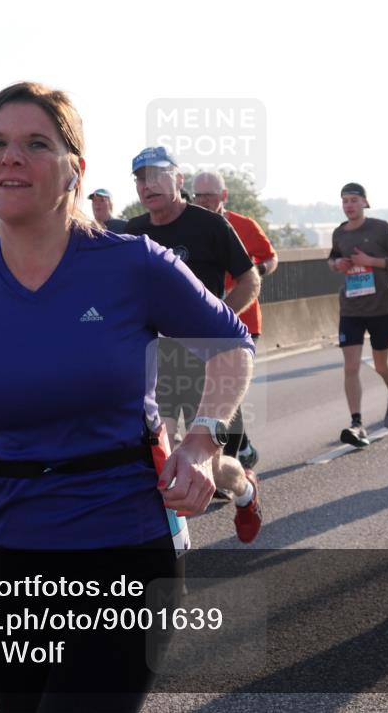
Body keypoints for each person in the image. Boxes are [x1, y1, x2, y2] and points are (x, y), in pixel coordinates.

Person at [0, 83, 254, 712]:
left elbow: (231, 344)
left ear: (74, 170)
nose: (11, 157)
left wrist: (200, 439)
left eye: (36, 144)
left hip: (124, 547)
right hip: (9, 553)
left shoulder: (133, 263)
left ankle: (238, 483)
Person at [125, 148, 262, 540]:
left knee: (214, 467)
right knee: (160, 457)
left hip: (209, 361)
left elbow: (250, 280)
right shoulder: (132, 234)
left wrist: (218, 324)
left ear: (179, 179)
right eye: (139, 178)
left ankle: (246, 491)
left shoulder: (210, 225)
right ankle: (169, 546)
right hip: (157, 362)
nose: (147, 185)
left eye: (156, 175)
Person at [192, 170, 277, 469]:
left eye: (209, 196)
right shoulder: (188, 228)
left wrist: (254, 273)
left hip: (244, 319)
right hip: (205, 322)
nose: (202, 201)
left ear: (223, 196)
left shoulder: (243, 225)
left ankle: (228, 460)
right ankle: (243, 448)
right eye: (197, 195)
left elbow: (270, 257)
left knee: (225, 385)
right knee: (220, 389)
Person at [327, 182, 388, 448]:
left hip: (382, 307)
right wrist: (337, 264)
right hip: (351, 308)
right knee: (350, 366)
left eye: (353, 200)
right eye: (345, 200)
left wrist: (371, 262)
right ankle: (357, 424)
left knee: (382, 365)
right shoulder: (339, 233)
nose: (349, 205)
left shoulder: (381, 228)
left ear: (365, 202)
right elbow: (332, 259)